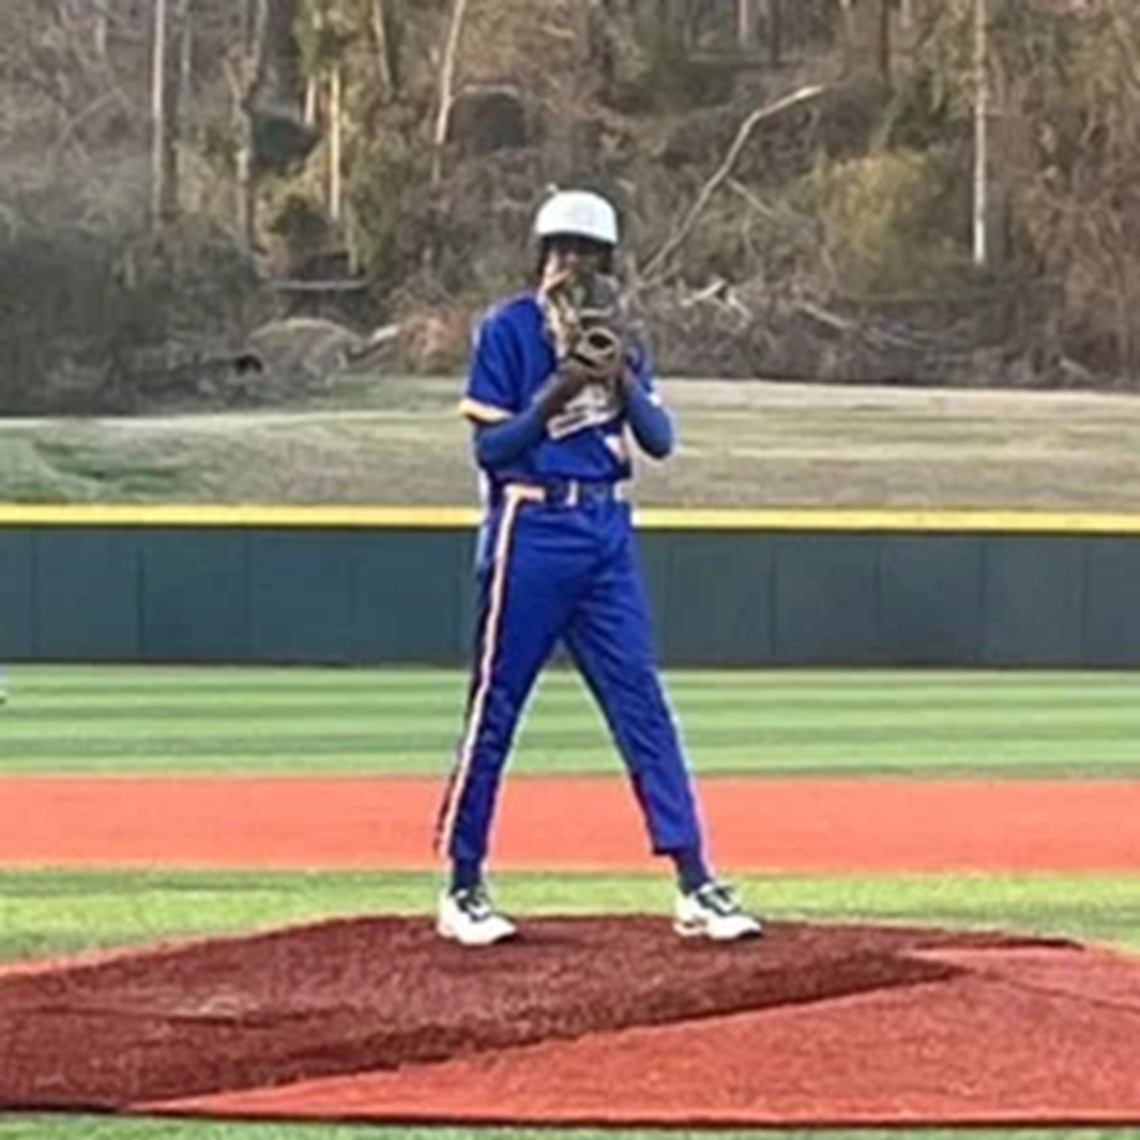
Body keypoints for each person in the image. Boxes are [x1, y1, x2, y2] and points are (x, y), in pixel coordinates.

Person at [434, 188, 761, 947]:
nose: (572, 266)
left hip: (606, 527)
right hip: (532, 521)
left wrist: (613, 376)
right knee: (497, 707)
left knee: (642, 706)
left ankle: (694, 880)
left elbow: (659, 440)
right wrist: (560, 387)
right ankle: (462, 884)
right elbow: (491, 447)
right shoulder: (509, 329)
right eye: (561, 250)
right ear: (540, 254)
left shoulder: (621, 340)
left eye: (586, 254)